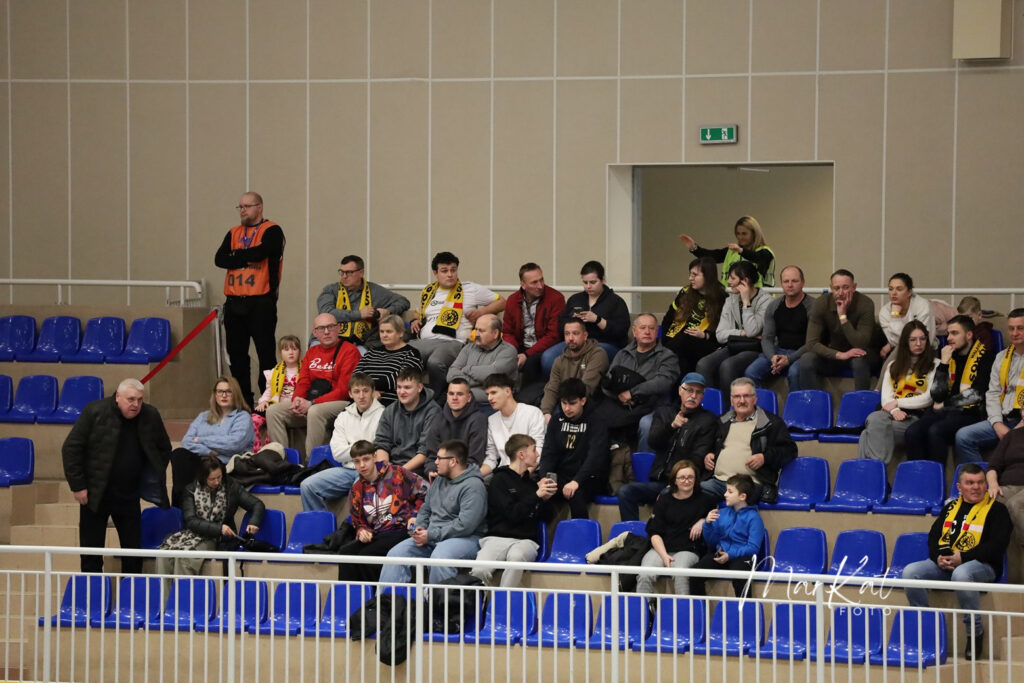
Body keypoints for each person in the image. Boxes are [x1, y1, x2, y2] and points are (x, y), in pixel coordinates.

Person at [61, 378, 172, 573]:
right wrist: (78, 485)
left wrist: (149, 476)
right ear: (117, 397)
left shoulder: (150, 415)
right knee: (91, 552)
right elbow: (71, 448)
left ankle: (130, 591)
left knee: (133, 552)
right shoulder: (95, 411)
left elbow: (164, 448)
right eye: (131, 399)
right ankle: (93, 591)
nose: (135, 405)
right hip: (95, 493)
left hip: (129, 493)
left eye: (139, 400)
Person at [904, 464, 1011, 660]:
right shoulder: (950, 507)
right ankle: (926, 628)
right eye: (970, 483)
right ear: (959, 487)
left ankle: (974, 632)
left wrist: (963, 557)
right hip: (948, 564)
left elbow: (997, 546)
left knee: (961, 574)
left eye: (980, 482)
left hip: (983, 566)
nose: (976, 487)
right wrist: (938, 557)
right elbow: (934, 537)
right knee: (911, 572)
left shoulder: (998, 510)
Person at [379, 440, 488, 586]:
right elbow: (426, 508)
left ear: (453, 462)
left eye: (439, 458)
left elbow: (465, 525)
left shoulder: (474, 486)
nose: (435, 462)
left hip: (466, 538)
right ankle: (388, 599)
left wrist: (431, 535)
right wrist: (419, 528)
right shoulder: (439, 480)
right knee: (396, 554)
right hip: (433, 535)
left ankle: (438, 601)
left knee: (440, 558)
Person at [214, 192, 285, 404]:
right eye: (240, 207)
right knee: (236, 356)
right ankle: (243, 401)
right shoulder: (233, 232)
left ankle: (267, 401)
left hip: (261, 302)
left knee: (266, 355)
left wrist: (236, 256)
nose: (243, 210)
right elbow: (219, 259)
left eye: (247, 206)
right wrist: (245, 257)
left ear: (259, 207)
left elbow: (261, 253)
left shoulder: (272, 230)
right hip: (234, 302)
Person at [617, 373, 718, 521]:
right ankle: (632, 532)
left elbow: (697, 457)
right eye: (689, 390)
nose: (693, 395)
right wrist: (672, 427)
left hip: (684, 483)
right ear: (680, 390)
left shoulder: (708, 420)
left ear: (702, 396)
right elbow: (653, 442)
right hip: (659, 480)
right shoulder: (665, 411)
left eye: (698, 392)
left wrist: (677, 482)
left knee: (667, 496)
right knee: (625, 492)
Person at [265, 313, 361, 461]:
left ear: (338, 328)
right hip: (312, 400)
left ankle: (312, 463)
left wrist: (312, 403)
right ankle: (282, 461)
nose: (326, 332)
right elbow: (303, 381)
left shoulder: (350, 351)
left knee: (315, 411)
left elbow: (343, 391)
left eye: (330, 327)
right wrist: (297, 399)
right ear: (315, 333)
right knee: (273, 411)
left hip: (340, 402)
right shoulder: (312, 351)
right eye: (321, 328)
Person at [409, 251, 505, 396]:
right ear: (435, 273)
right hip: (425, 341)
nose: (450, 274)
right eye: (444, 271)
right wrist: (416, 319)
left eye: (453, 270)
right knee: (402, 356)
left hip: (452, 342)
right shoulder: (428, 291)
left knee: (435, 362)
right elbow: (420, 312)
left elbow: (502, 302)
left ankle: (436, 400)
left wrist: (481, 312)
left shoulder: (470, 288)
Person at [905, 315, 994, 465]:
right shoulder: (949, 356)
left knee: (936, 431)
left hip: (971, 413)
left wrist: (945, 404)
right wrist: (944, 364)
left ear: (969, 335)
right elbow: (936, 394)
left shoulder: (986, 356)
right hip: (946, 411)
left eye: (954, 333)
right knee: (912, 432)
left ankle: (937, 476)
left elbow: (977, 394)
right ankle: (918, 475)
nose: (949, 338)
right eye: (948, 334)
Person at [337, 441, 429, 583]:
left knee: (368, 556)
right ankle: (350, 595)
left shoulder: (397, 473)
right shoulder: (357, 488)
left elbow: (426, 491)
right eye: (357, 461)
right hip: (378, 533)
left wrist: (415, 515)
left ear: (375, 457)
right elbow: (357, 519)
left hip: (402, 528)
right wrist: (362, 530)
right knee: (345, 553)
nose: (362, 465)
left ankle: (377, 595)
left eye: (366, 459)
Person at [471, 435, 556, 587]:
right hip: (496, 538)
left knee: (516, 558)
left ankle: (504, 600)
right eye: (534, 450)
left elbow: (548, 517)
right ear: (521, 455)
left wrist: (545, 500)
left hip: (526, 541)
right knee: (479, 569)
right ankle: (477, 601)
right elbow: (512, 514)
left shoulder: (533, 485)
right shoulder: (498, 480)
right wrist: (536, 496)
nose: (537, 454)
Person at [157, 456, 264, 577]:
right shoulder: (191, 490)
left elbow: (257, 504)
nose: (217, 482)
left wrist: (254, 522)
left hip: (218, 539)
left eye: (219, 477)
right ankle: (164, 590)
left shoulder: (231, 486)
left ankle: (184, 590)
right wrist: (219, 528)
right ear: (203, 477)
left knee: (185, 558)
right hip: (194, 533)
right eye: (212, 479)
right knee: (164, 554)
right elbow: (191, 521)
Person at [701, 378, 797, 502]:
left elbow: (790, 450)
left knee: (738, 498)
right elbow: (708, 445)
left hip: (750, 484)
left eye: (746, 396)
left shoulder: (771, 422)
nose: (742, 401)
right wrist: (708, 455)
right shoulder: (721, 421)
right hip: (719, 481)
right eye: (737, 396)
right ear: (731, 400)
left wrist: (764, 457)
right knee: (691, 492)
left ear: (755, 399)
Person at [299, 373, 384, 512]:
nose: (361, 396)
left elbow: (378, 449)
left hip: (370, 471)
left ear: (373, 392)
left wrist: (351, 448)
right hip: (347, 470)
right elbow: (337, 453)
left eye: (365, 391)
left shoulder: (383, 415)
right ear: (350, 394)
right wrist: (364, 448)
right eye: (357, 391)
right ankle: (323, 524)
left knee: (358, 490)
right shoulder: (343, 417)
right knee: (307, 486)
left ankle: (355, 527)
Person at [858, 321, 938, 463]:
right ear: (905, 342)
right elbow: (886, 397)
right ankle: (878, 470)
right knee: (874, 418)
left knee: (866, 434)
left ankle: (874, 473)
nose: (918, 343)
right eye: (913, 340)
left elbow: (928, 398)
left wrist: (897, 403)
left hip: (915, 417)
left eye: (922, 339)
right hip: (891, 414)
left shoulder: (935, 364)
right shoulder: (892, 366)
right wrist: (895, 410)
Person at [170, 376, 255, 507]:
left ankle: (184, 508)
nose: (224, 395)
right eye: (220, 391)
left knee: (192, 473)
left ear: (236, 394)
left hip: (226, 465)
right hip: (202, 461)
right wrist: (209, 451)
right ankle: (182, 508)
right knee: (179, 454)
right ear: (215, 395)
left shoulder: (243, 417)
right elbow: (186, 442)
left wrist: (201, 440)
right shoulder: (203, 416)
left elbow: (234, 444)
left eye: (228, 391)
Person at [635, 460, 717, 596]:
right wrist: (664, 556)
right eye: (682, 478)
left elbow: (715, 519)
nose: (686, 481)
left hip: (689, 549)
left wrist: (703, 521)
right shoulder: (663, 500)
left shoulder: (706, 500)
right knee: (644, 574)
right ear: (675, 480)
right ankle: (645, 608)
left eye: (690, 477)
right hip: (661, 548)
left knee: (681, 574)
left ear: (696, 479)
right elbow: (654, 533)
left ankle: (683, 608)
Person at [598, 313, 680, 448]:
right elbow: (608, 381)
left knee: (646, 424)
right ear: (634, 332)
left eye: (651, 328)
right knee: (593, 417)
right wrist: (620, 397)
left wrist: (632, 393)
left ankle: (643, 462)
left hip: (652, 406)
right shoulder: (623, 354)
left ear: (657, 332)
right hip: (619, 404)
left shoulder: (667, 356)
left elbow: (663, 382)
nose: (647, 332)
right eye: (643, 328)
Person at [955, 309, 1024, 463]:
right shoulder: (1001, 357)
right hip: (1003, 418)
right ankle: (982, 476)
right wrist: (997, 422)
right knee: (963, 436)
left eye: (1020, 328)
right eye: (1011, 328)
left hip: (1022, 421)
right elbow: (993, 393)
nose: (1015, 333)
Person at [695, 260, 772, 394]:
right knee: (704, 364)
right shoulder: (730, 300)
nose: (728, 282)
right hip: (736, 345)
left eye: (732, 278)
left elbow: (752, 330)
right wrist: (742, 333)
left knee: (728, 366)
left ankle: (729, 406)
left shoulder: (765, 300)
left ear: (745, 281)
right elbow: (720, 335)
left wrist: (746, 302)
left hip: (756, 348)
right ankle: (710, 405)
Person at [537, 378, 611, 519]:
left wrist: (577, 481)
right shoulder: (556, 420)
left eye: (572, 403)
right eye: (564, 403)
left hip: (589, 477)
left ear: (583, 401)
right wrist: (544, 478)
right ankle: (544, 532)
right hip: (562, 475)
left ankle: (582, 532)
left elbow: (595, 457)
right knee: (538, 493)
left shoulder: (597, 420)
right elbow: (549, 453)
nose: (567, 408)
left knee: (575, 495)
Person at [799, 268, 881, 391]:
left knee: (859, 361)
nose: (841, 292)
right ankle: (813, 401)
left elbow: (861, 343)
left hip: (861, 353)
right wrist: (840, 355)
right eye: (837, 288)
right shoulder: (821, 303)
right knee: (807, 359)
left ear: (854, 287)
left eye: (846, 287)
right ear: (831, 288)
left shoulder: (865, 303)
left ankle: (861, 401)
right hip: (834, 352)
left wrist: (843, 317)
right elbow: (811, 343)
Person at [543, 261, 631, 375]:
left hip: (604, 343)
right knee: (547, 358)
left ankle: (581, 385)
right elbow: (560, 326)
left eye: (593, 282)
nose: (588, 286)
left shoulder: (616, 302)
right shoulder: (575, 299)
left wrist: (597, 320)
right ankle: (559, 384)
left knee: (589, 357)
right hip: (575, 342)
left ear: (603, 280)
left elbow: (621, 331)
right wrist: (572, 321)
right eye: (585, 282)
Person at [689, 474, 767, 598]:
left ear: (742, 496)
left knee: (740, 575)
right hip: (721, 553)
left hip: (743, 556)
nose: (725, 494)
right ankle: (700, 608)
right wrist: (707, 525)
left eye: (730, 491)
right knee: (695, 574)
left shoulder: (754, 518)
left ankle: (746, 609)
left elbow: (753, 548)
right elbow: (711, 543)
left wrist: (730, 555)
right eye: (726, 490)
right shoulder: (721, 513)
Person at [744, 265, 815, 391]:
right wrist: (772, 357)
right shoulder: (774, 305)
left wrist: (789, 359)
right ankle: (763, 404)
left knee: (794, 373)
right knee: (751, 372)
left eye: (794, 281)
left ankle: (795, 404)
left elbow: (812, 342)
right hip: (779, 351)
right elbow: (767, 338)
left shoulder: (813, 306)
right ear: (781, 284)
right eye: (786, 281)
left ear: (803, 283)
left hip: (803, 353)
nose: (790, 285)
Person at [317, 254, 410, 349]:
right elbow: (326, 312)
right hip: (328, 339)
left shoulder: (375, 291)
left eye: (349, 272)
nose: (344, 276)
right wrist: (359, 314)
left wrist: (388, 311)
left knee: (363, 354)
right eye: (342, 272)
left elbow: (403, 301)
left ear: (361, 273)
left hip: (360, 343)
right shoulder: (331, 290)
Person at [502, 263, 565, 392]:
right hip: (520, 345)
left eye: (541, 280)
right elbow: (508, 332)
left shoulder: (556, 298)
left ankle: (527, 399)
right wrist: (513, 351)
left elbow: (553, 335)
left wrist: (527, 354)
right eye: (534, 282)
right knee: (503, 358)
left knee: (530, 363)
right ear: (523, 285)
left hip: (544, 346)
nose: (540, 286)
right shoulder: (512, 300)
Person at [660, 257, 727, 375]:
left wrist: (705, 335)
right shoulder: (685, 291)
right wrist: (664, 341)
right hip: (676, 341)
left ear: (708, 276)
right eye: (690, 274)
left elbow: (723, 332)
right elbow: (668, 318)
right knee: (681, 357)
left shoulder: (721, 299)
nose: (690, 278)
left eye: (695, 275)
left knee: (684, 339)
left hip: (703, 342)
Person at [373, 367, 442, 473]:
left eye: (407, 387)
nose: (402, 392)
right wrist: (383, 469)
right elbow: (382, 443)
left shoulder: (433, 411)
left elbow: (425, 452)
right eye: (399, 387)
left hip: (417, 471)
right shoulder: (390, 410)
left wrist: (398, 472)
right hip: (392, 468)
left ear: (419, 387)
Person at [537, 319, 609, 418]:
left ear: (585, 335)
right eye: (567, 334)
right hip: (565, 403)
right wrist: (546, 412)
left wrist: (566, 407)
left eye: (575, 333)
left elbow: (587, 388)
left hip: (588, 404)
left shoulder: (597, 354)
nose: (570, 338)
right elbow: (552, 388)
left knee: (559, 415)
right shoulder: (559, 360)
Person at [679, 215, 776, 287]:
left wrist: (741, 251)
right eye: (738, 233)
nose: (740, 237)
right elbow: (712, 256)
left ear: (754, 234)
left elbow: (757, 257)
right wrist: (694, 248)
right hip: (732, 298)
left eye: (744, 234)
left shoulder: (765, 252)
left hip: (759, 300)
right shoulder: (732, 251)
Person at [481, 373, 546, 476]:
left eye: (493, 392)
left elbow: (538, 450)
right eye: (487, 394)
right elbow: (491, 458)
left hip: (528, 473)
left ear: (507, 391)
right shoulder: (492, 420)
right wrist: (473, 476)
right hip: (503, 473)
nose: (489, 398)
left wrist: (520, 477)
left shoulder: (532, 413)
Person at [352, 314, 423, 406]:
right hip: (360, 400)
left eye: (389, 331)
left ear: (401, 333)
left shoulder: (412, 353)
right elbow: (356, 376)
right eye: (382, 331)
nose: (384, 335)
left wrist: (367, 389)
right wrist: (369, 392)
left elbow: (402, 379)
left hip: (390, 404)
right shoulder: (371, 352)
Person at [423, 377, 489, 476]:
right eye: (451, 394)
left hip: (465, 475)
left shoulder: (478, 420)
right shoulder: (438, 419)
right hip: (440, 474)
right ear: (447, 397)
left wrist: (449, 473)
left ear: (469, 397)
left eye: (460, 394)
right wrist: (431, 471)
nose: (454, 398)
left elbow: (475, 460)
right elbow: (431, 456)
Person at [447, 313, 519, 401]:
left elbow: (493, 377)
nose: (476, 334)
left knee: (459, 397)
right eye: (476, 329)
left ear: (495, 333)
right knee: (454, 396)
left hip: (494, 398)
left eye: (481, 331)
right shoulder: (468, 348)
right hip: (466, 393)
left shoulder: (508, 351)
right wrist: (481, 378)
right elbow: (450, 376)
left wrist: (467, 369)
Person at [252, 335, 302, 450]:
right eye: (286, 349)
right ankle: (258, 451)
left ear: (299, 351)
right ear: (280, 353)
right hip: (274, 403)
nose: (291, 352)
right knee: (253, 420)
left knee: (272, 421)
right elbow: (269, 390)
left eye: (294, 349)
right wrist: (264, 401)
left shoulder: (304, 370)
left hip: (291, 406)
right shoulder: (275, 371)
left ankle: (272, 451)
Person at [879, 272, 936, 358]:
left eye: (899, 289)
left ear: (909, 292)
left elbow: (925, 340)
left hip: (925, 352)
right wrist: (895, 316)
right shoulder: (885, 311)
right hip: (899, 352)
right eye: (891, 289)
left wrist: (892, 343)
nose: (894, 293)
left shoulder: (922, 306)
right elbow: (894, 341)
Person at [987, 428, 1024, 546]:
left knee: (1015, 505)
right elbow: (992, 466)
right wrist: (993, 484)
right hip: (1008, 486)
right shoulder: (1012, 435)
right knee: (991, 506)